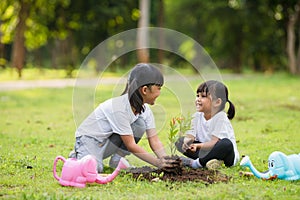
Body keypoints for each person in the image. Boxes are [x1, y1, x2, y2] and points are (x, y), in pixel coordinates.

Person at [70, 63, 176, 172]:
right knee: (95, 169)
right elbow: (131, 145)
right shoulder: (119, 108)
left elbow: (154, 140)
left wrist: (165, 160)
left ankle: (117, 160)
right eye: (158, 88)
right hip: (89, 139)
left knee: (140, 124)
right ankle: (77, 155)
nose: (159, 92)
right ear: (145, 90)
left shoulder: (145, 110)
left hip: (108, 140)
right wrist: (157, 163)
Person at [176, 80, 240, 170]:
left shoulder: (220, 118)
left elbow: (214, 143)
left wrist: (198, 146)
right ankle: (211, 162)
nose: (198, 99)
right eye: (197, 95)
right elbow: (190, 136)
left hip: (226, 156)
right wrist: (187, 142)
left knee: (226, 144)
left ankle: (196, 163)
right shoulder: (196, 117)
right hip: (205, 150)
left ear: (217, 102)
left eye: (203, 96)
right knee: (180, 141)